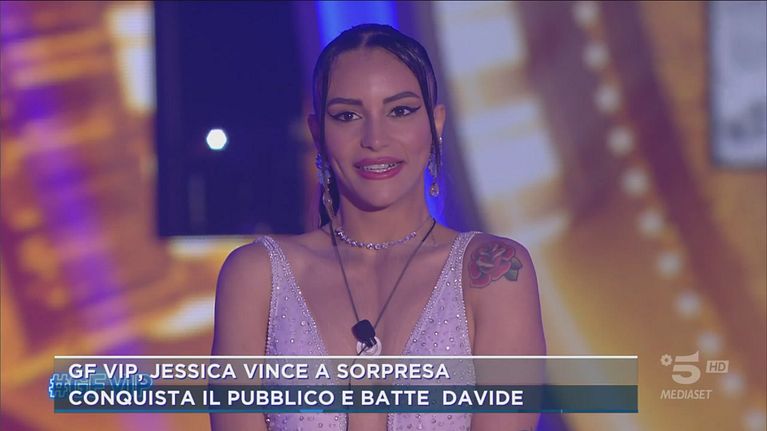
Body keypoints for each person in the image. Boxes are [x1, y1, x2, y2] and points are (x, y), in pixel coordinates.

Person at [211, 23, 546, 431]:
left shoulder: (492, 272)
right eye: (347, 115)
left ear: (436, 123)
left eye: (400, 111)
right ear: (318, 133)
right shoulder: (257, 276)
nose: (374, 138)